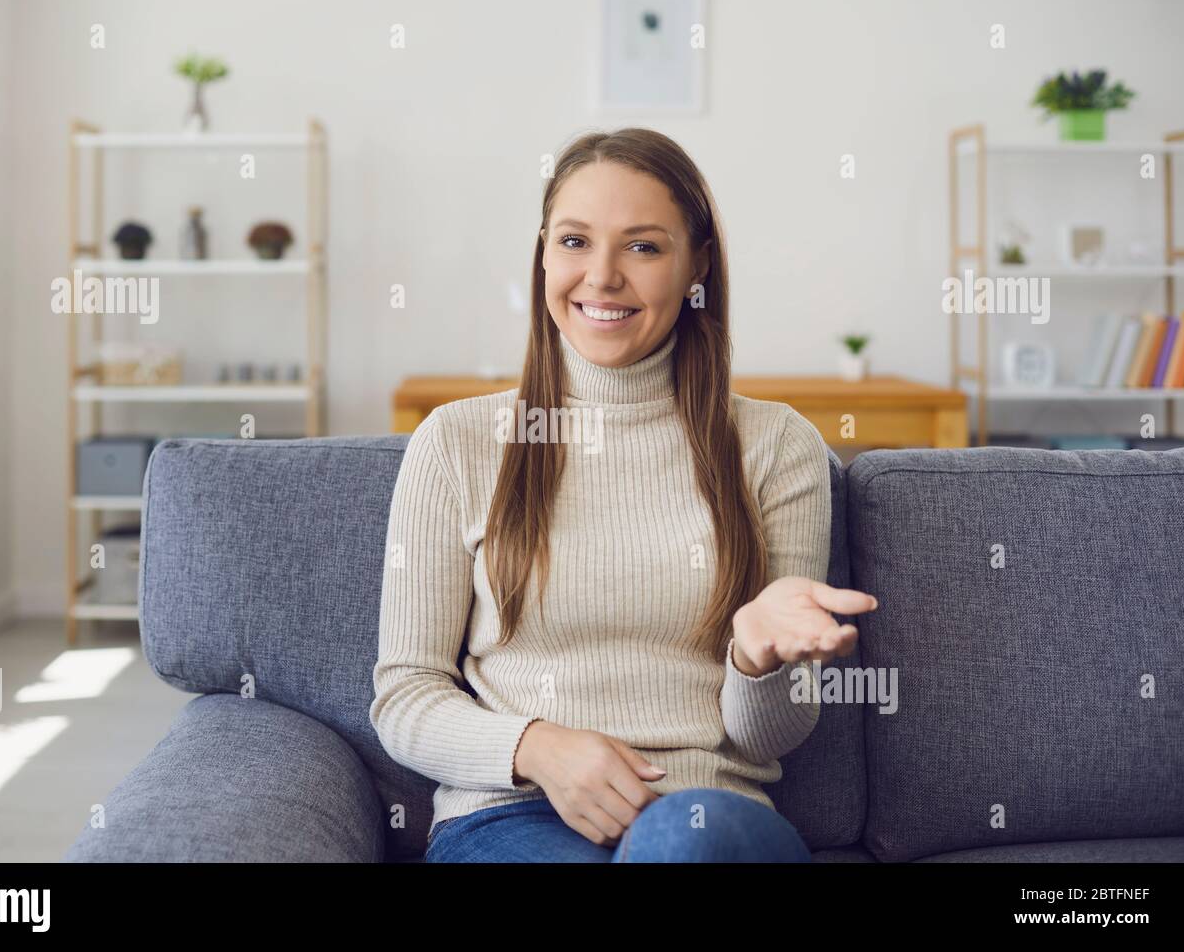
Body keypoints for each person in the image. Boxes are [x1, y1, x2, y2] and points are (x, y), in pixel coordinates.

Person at [370, 127, 878, 862]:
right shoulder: (456, 442)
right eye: (575, 242)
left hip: (706, 816)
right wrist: (536, 748)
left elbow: (772, 735)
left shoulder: (777, 447)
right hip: (511, 817)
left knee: (681, 845)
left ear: (696, 265)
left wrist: (758, 662)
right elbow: (405, 696)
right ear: (543, 252)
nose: (602, 277)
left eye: (643, 247)